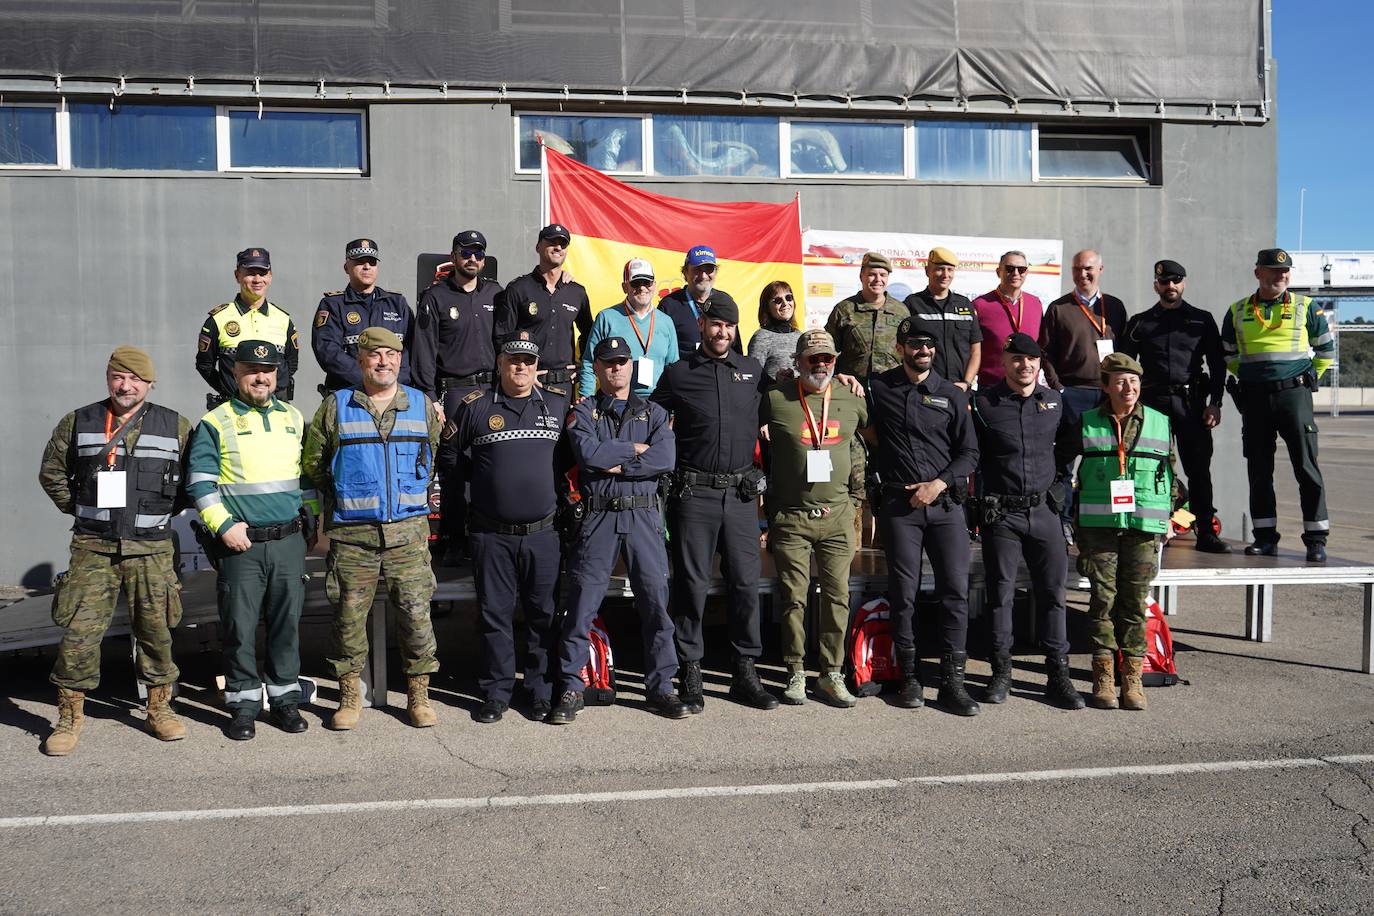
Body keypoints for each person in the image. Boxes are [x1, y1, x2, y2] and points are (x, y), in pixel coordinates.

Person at [37, 347, 192, 755]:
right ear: (108, 379)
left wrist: (157, 514)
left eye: (135, 379)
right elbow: (51, 472)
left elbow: (190, 481)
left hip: (152, 550)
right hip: (93, 548)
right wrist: (80, 508)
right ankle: (69, 719)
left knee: (156, 633)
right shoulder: (79, 421)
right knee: (79, 637)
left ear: (150, 383)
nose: (125, 386)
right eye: (117, 377)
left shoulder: (176, 425)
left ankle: (159, 709)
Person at [302, 328, 442, 731]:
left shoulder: (420, 405)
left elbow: (430, 459)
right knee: (348, 618)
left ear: (400, 360)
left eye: (391, 355)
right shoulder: (336, 406)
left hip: (407, 537)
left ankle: (419, 696)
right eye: (374, 355)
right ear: (360, 361)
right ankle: (349, 697)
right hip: (353, 539)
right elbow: (315, 464)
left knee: (417, 617)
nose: (384, 361)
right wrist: (346, 496)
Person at [550, 337, 687, 724]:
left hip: (644, 517)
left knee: (657, 606)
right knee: (580, 605)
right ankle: (572, 686)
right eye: (608, 363)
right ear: (598, 367)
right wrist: (637, 451)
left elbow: (665, 458)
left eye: (622, 362)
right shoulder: (584, 412)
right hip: (599, 518)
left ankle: (661, 687)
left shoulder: (655, 413)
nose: (616, 369)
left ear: (632, 366)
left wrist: (618, 457)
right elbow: (590, 456)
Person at [187, 340, 317, 740]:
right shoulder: (215, 421)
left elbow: (306, 477)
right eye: (251, 370)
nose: (261, 377)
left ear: (278, 374)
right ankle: (242, 705)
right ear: (235, 373)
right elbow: (200, 482)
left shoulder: (294, 418)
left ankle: (284, 701)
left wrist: (309, 523)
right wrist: (224, 525)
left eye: (268, 370)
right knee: (240, 628)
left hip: (287, 542)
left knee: (286, 626)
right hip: (239, 544)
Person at [652, 299, 777, 713]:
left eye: (729, 326)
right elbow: (648, 416)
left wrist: (841, 379)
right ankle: (690, 670)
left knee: (745, 584)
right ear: (702, 325)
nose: (722, 332)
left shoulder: (752, 373)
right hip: (695, 496)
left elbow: (795, 399)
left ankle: (745, 671)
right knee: (691, 586)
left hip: (741, 496)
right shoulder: (679, 374)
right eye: (716, 324)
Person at [862, 317, 980, 716]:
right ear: (900, 349)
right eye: (914, 344)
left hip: (945, 506)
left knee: (954, 593)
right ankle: (910, 678)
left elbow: (970, 453)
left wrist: (940, 483)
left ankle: (952, 683)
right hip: (899, 507)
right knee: (904, 594)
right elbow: (861, 422)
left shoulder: (950, 394)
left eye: (928, 345)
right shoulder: (879, 388)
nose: (922, 350)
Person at [447, 334, 564, 724]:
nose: (521, 367)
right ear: (500, 363)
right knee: (494, 615)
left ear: (537, 367)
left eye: (528, 362)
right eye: (514, 360)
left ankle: (539, 691)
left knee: (542, 615)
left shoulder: (557, 406)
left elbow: (565, 466)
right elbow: (451, 462)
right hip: (490, 534)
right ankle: (496, 692)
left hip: (543, 534)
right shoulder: (475, 408)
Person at [1055, 353, 1180, 712]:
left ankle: (1133, 678)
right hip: (1099, 528)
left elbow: (1170, 473)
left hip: (1144, 527)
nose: (1128, 388)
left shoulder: (1159, 422)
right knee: (1103, 602)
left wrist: (1170, 516)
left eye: (1134, 381)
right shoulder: (1087, 422)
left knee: (1134, 603)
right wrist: (1063, 509)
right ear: (1106, 386)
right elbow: (1060, 464)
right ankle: (1104, 676)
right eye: (1121, 382)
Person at [971, 333, 1085, 710]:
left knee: (1053, 594)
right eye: (1017, 360)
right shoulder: (984, 403)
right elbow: (972, 454)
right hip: (1002, 514)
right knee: (1000, 595)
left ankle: (1059, 676)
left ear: (1039, 364)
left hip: (1044, 512)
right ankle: (1000, 672)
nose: (1025, 366)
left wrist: (1057, 483)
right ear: (1003, 363)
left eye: (1032, 361)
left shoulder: (1053, 400)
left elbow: (1072, 440)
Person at [760, 330, 868, 708]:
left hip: (838, 516)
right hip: (792, 516)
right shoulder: (775, 399)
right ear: (798, 361)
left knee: (838, 597)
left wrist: (857, 498)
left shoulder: (851, 397)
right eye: (812, 359)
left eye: (827, 359)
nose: (820, 365)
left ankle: (831, 673)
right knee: (793, 599)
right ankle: (793, 671)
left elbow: (868, 438)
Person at [1221, 248, 1335, 562]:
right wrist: (1250, 376)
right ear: (1258, 272)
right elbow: (1228, 354)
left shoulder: (1306, 307)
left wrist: (1312, 378)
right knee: (1259, 470)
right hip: (1255, 398)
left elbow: (1325, 351)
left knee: (1306, 467)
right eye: (1273, 271)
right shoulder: (1237, 310)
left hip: (1294, 396)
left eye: (1285, 272)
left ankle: (1315, 539)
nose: (1280, 276)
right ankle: (1265, 537)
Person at [1119, 259, 1230, 553]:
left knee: (1198, 471)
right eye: (1164, 281)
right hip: (1152, 407)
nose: (1170, 286)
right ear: (1156, 285)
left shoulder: (1202, 320)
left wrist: (1215, 404)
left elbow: (1218, 366)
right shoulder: (1140, 323)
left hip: (1191, 404)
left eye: (1175, 281)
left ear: (1184, 283)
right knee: (1149, 469)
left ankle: (1205, 531)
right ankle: (1149, 529)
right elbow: (1126, 367)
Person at [411, 229, 502, 565]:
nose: (473, 259)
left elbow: (507, 344)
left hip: (491, 392)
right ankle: (454, 539)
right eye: (466, 252)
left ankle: (485, 538)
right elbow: (423, 352)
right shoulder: (435, 297)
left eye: (479, 253)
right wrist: (431, 397)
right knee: (451, 470)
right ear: (454, 255)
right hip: (452, 394)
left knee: (490, 465)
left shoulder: (496, 293)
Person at [1038, 249, 1128, 539]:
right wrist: (1059, 389)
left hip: (1106, 395)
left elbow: (1124, 350)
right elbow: (1045, 352)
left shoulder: (1114, 306)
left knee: (1104, 461)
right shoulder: (1058, 307)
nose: (1083, 274)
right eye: (1077, 269)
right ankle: (1061, 520)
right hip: (1072, 394)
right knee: (1063, 462)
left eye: (1088, 268)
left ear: (1101, 269)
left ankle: (1096, 520)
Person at [493, 223, 591, 413]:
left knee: (563, 441)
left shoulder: (576, 292)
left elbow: (589, 336)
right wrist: (521, 375)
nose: (558, 247)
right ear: (538, 247)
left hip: (564, 385)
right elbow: (501, 338)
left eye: (563, 244)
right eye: (551, 242)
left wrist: (582, 369)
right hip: (528, 384)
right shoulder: (518, 288)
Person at [196, 247, 299, 408]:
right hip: (234, 408)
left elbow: (291, 364)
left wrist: (267, 390)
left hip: (277, 408)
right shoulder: (218, 319)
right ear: (237, 275)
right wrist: (230, 389)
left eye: (263, 273)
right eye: (251, 273)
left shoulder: (283, 319)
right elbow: (204, 365)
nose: (257, 279)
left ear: (270, 277)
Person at [312, 238, 416, 393]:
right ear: (346, 267)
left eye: (372, 262)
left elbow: (410, 349)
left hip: (394, 392)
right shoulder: (333, 305)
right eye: (360, 262)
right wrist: (371, 380)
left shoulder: (397, 303)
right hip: (348, 393)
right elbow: (328, 352)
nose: (367, 266)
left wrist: (392, 382)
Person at [578, 259, 680, 398]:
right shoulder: (606, 318)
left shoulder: (666, 322)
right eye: (636, 283)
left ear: (654, 285)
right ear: (625, 287)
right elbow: (590, 362)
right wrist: (586, 400)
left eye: (647, 282)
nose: (642, 288)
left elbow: (673, 369)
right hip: (617, 402)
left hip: (658, 405)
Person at [824, 251, 908, 389]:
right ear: (861, 276)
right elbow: (828, 349)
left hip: (891, 388)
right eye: (872, 274)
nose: (878, 279)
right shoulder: (844, 309)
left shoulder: (901, 311)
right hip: (852, 388)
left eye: (883, 275)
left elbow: (908, 351)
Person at [903, 246, 981, 390]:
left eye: (950, 270)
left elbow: (975, 350)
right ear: (927, 271)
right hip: (924, 388)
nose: (945, 274)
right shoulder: (913, 304)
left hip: (960, 388)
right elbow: (903, 348)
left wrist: (966, 383)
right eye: (939, 269)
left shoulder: (965, 304)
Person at [974, 250, 1045, 389]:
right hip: (992, 387)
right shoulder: (980, 305)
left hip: (1028, 387)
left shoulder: (1035, 303)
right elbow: (972, 350)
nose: (1016, 273)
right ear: (998, 272)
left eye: (1022, 269)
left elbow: (1042, 345)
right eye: (1010, 268)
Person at [657, 244, 744, 356]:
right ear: (685, 273)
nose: (703, 276)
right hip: (683, 371)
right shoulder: (669, 305)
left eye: (709, 269)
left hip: (719, 371)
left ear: (716, 272)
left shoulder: (725, 301)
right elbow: (660, 351)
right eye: (697, 269)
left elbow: (736, 349)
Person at [746, 280, 803, 383]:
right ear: (767, 307)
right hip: (772, 397)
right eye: (778, 300)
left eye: (789, 298)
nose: (785, 303)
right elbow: (753, 377)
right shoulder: (761, 337)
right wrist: (777, 382)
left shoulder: (801, 337)